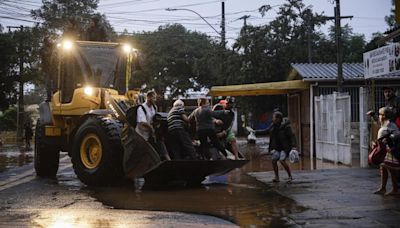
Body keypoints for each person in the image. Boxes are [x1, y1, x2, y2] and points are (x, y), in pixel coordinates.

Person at [258, 111, 296, 183]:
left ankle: (290, 176)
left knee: (282, 160)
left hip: (285, 148)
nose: (273, 119)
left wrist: (294, 146)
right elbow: (266, 131)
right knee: (274, 160)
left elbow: (292, 136)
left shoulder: (286, 127)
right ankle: (277, 177)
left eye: (274, 118)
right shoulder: (273, 126)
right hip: (277, 147)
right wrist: (255, 131)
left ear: (278, 119)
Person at [136, 91, 170, 161]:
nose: (155, 100)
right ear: (148, 97)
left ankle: (167, 160)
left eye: (155, 98)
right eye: (153, 98)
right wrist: (151, 128)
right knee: (143, 152)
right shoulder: (141, 108)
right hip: (141, 135)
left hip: (150, 133)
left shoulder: (154, 108)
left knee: (160, 142)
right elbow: (142, 122)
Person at [374, 107, 400, 196]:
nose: (379, 116)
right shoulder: (384, 123)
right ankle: (383, 188)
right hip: (384, 149)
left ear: (384, 116)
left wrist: (388, 138)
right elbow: (378, 123)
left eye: (380, 114)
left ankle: (395, 189)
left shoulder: (390, 124)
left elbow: (397, 134)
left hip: (389, 149)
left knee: (391, 169)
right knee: (383, 168)